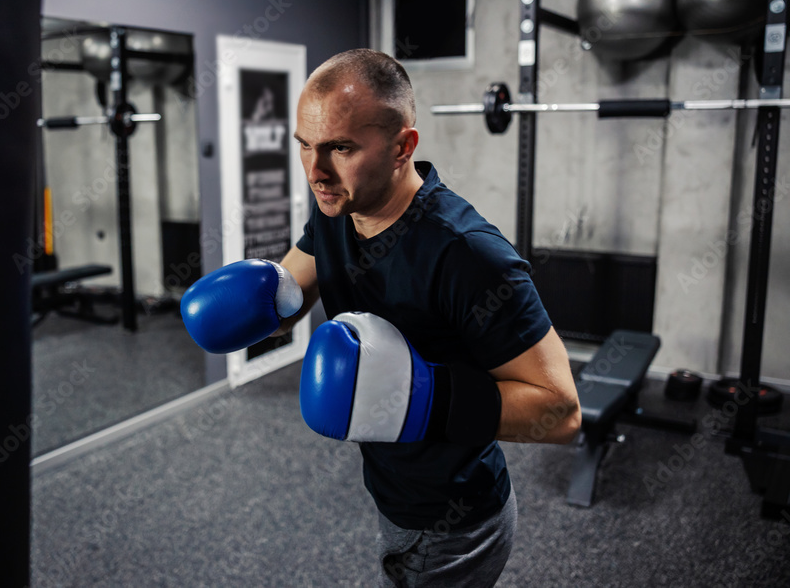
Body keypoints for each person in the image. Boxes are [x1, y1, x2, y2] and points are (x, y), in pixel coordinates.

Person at [181, 49, 580, 587]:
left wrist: (420, 400)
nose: (316, 172)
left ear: (402, 147)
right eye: (305, 146)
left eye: (340, 148)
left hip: (454, 520)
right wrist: (260, 304)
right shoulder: (337, 207)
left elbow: (561, 413)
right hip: (394, 491)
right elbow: (290, 291)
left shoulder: (466, 254)